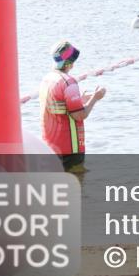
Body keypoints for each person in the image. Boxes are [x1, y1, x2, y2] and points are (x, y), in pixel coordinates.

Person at [38, 41, 105, 176]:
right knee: (75, 188)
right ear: (68, 63)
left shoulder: (47, 79)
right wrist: (95, 98)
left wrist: (80, 99)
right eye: (73, 61)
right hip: (70, 149)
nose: (74, 65)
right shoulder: (69, 82)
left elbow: (58, 106)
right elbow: (80, 115)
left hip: (50, 146)